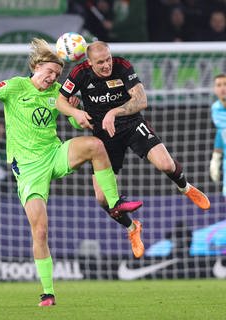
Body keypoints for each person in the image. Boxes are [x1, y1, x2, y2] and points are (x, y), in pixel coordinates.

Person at [0, 38, 143, 307]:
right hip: (28, 169)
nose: (52, 77)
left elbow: (76, 121)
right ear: (36, 66)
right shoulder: (15, 86)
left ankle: (116, 203)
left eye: (57, 74)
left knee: (95, 145)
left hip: (54, 155)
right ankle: (48, 293)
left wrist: (78, 113)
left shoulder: (58, 93)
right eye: (49, 71)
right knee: (40, 230)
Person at [56, 40, 211, 225]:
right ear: (89, 62)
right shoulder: (79, 72)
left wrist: (114, 112)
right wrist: (75, 112)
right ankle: (131, 227)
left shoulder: (122, 66)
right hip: (105, 133)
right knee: (102, 198)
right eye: (100, 62)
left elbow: (141, 100)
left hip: (132, 123)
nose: (106, 65)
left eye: (108, 59)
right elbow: (60, 101)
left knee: (166, 165)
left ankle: (185, 187)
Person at [210, 74, 226, 196]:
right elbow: (222, 133)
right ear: (215, 89)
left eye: (225, 84)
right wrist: (216, 158)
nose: (222, 88)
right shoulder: (215, 108)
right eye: (219, 85)